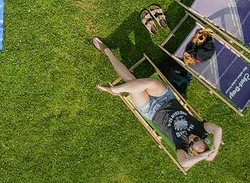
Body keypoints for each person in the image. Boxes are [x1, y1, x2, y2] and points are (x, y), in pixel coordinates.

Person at [92, 37, 222, 170]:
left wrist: (202, 157)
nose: (193, 138)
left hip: (150, 110)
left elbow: (183, 163)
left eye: (192, 143)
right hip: (166, 98)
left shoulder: (182, 146)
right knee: (150, 83)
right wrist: (215, 149)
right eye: (197, 139)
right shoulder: (200, 129)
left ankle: (107, 52)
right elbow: (218, 129)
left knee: (130, 80)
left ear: (191, 149)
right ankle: (115, 90)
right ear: (202, 138)